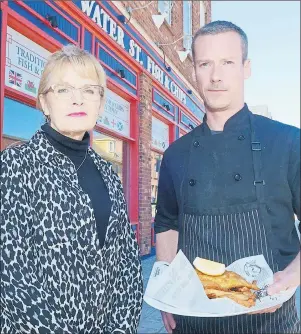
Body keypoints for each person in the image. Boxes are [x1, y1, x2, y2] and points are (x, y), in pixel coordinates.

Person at [154, 20, 300, 333]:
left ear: (246, 68)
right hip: (195, 322)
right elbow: (166, 223)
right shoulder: (175, 155)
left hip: (269, 321)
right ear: (194, 70)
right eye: (205, 64)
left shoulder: (287, 142)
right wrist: (167, 288)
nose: (216, 76)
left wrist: (290, 277)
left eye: (228, 62)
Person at [1, 44, 143, 333]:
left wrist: (120, 328)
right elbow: (11, 278)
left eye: (89, 90)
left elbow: (126, 265)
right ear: (44, 102)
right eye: (63, 90)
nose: (77, 100)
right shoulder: (15, 165)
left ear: (100, 103)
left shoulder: (107, 173)